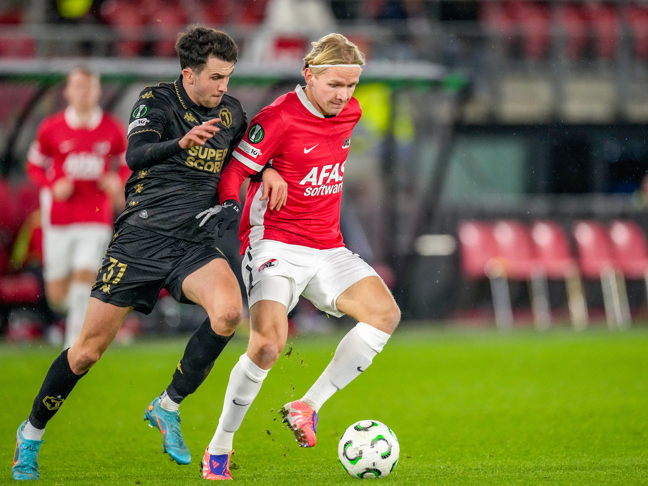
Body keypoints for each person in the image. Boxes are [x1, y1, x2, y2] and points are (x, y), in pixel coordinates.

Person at [12, 26, 286, 481]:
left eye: (228, 76)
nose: (224, 86)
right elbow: (136, 155)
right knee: (85, 353)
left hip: (192, 242)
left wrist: (269, 171)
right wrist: (182, 141)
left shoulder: (231, 112)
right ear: (189, 74)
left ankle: (167, 405)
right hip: (140, 240)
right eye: (216, 77)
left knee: (227, 313)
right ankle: (32, 432)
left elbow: (247, 158)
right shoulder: (156, 100)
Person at [198, 33, 400, 480]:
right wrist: (244, 192)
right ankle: (220, 446)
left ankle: (307, 405)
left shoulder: (351, 112)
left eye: (351, 85)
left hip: (328, 247)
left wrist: (273, 168)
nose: (344, 95)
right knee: (268, 344)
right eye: (335, 84)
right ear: (309, 75)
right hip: (274, 243)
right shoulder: (279, 118)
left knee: (384, 314)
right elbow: (234, 170)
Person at [26, 67, 129, 349]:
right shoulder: (51, 127)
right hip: (59, 219)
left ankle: (72, 349)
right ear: (68, 92)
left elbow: (127, 164)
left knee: (86, 276)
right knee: (58, 296)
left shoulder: (112, 128)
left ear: (98, 91)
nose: (84, 92)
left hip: (95, 217)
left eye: (89, 86)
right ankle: (79, 322)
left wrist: (117, 181)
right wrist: (53, 184)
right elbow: (34, 165)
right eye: (78, 86)